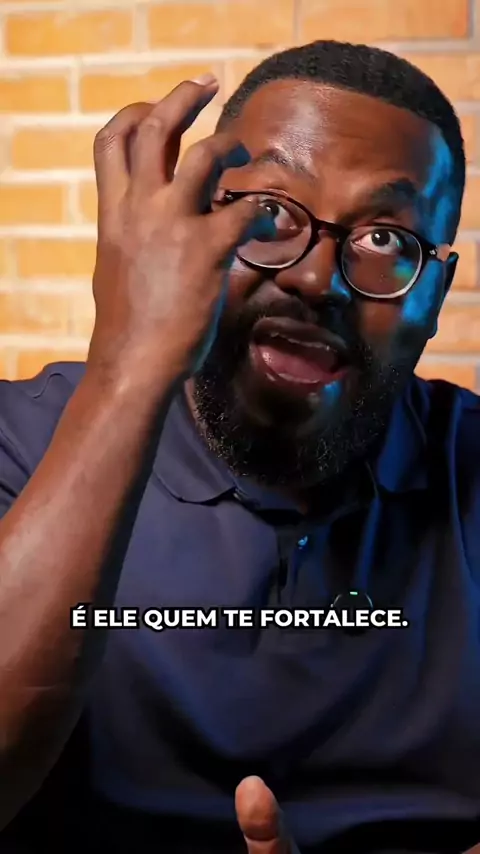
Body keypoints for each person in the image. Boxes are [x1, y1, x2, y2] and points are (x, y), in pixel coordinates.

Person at [0, 37, 479, 854]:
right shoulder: (20, 442)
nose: (315, 280)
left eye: (385, 239)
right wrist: (129, 365)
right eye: (270, 213)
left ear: (433, 295)